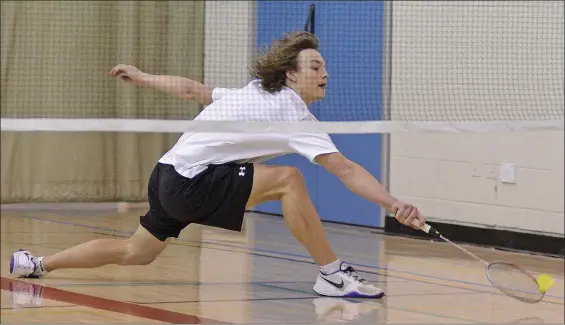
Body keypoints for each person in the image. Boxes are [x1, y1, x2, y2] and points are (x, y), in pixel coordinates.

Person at [10, 31, 425, 298]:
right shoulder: (292, 112)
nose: (326, 74)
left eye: (325, 68)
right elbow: (347, 170)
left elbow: (194, 90)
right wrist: (392, 203)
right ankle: (331, 273)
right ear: (291, 75)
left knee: (135, 252)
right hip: (191, 182)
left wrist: (144, 77)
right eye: (316, 67)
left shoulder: (256, 92)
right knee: (289, 179)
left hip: (167, 175)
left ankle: (37, 263)